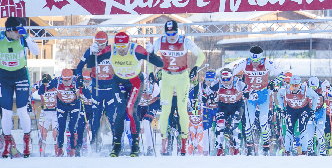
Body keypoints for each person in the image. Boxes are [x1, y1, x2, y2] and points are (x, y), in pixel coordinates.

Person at [87, 31, 164, 157]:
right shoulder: (110, 50)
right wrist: (92, 53)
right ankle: (117, 144)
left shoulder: (136, 50)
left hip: (135, 82)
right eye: (118, 47)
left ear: (129, 44)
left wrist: (152, 54)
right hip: (118, 82)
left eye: (124, 47)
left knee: (130, 110)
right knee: (120, 111)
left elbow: (160, 64)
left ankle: (135, 145)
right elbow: (90, 64)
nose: (121, 50)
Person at [149, 19, 205, 156]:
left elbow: (201, 55)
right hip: (167, 77)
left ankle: (184, 143)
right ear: (165, 32)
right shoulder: (160, 41)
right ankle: (164, 142)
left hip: (182, 77)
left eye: (174, 32)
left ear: (177, 31)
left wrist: (196, 67)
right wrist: (151, 72)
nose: (172, 36)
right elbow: (148, 56)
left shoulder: (185, 40)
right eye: (169, 33)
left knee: (182, 109)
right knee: (165, 109)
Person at [0, 17, 40, 157]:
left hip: (21, 76)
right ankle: (7, 144)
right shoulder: (0, 38)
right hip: (4, 77)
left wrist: (27, 36)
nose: (19, 33)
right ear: (9, 31)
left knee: (23, 111)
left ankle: (26, 143)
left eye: (20, 31)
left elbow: (36, 52)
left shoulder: (22, 39)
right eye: (17, 31)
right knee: (7, 113)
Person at [74, 31, 119, 151]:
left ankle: (116, 143)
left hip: (110, 88)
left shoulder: (112, 50)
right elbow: (79, 67)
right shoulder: (90, 50)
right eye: (98, 43)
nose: (100, 47)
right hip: (97, 89)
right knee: (95, 117)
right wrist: (79, 79)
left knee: (112, 117)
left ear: (107, 42)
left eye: (102, 44)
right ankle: (95, 143)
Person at [232, 45, 281, 154]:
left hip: (263, 94)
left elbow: (282, 74)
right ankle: (249, 145)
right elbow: (231, 75)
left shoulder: (266, 62)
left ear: (261, 58)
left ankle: (266, 145)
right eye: (253, 60)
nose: (255, 63)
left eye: (257, 60)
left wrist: (274, 83)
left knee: (263, 120)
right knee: (250, 121)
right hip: (250, 94)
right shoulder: (245, 63)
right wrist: (243, 88)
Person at [213, 68, 246, 155]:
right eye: (223, 79)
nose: (225, 81)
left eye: (228, 79)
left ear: (232, 77)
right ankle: (219, 148)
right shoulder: (217, 83)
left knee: (234, 125)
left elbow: (248, 89)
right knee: (220, 125)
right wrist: (208, 97)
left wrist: (248, 94)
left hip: (237, 106)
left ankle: (237, 148)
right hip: (223, 106)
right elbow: (208, 92)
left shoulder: (238, 83)